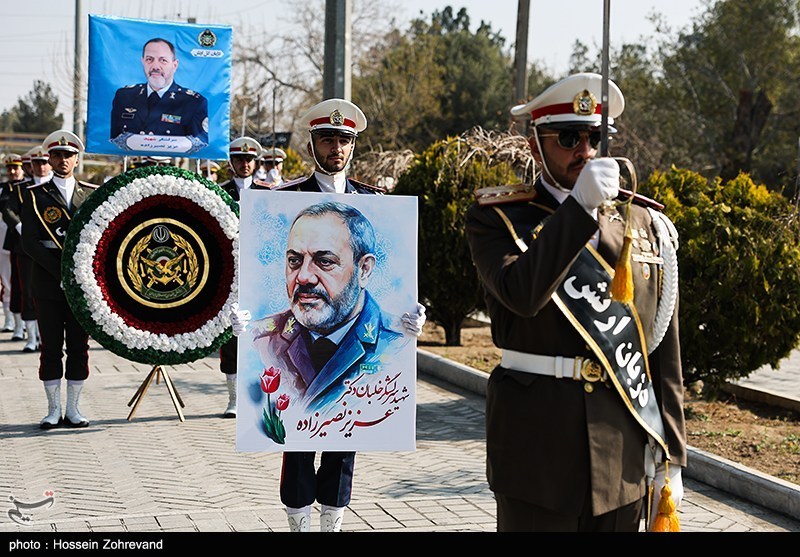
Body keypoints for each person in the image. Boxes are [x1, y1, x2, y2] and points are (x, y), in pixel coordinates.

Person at [464, 73, 687, 532]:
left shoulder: (643, 223)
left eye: (594, 138)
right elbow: (521, 294)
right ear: (535, 147)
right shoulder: (499, 219)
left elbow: (662, 347)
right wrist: (579, 209)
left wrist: (673, 455)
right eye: (568, 138)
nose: (584, 151)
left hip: (622, 454)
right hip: (537, 452)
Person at [230, 98, 425, 532]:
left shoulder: (374, 203)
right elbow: (255, 275)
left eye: (344, 140)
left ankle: (332, 523)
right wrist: (244, 315)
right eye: (326, 139)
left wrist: (411, 314)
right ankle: (299, 523)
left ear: (353, 146)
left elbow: (402, 277)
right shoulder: (282, 200)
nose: (336, 148)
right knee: (296, 439)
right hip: (294, 339)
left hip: (358, 338)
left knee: (345, 439)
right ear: (311, 145)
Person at [250, 200, 409, 411]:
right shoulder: (261, 340)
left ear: (364, 270)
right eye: (294, 261)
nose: (304, 277)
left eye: (325, 261)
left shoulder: (395, 342)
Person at [21, 130, 98, 430]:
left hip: (80, 284)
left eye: (69, 155)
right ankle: (53, 410)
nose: (63, 159)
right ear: (49, 159)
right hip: (47, 281)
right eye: (57, 155)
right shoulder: (34, 195)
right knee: (51, 348)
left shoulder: (91, 194)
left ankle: (74, 409)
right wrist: (60, 272)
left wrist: (76, 274)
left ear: (77, 159)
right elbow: (30, 242)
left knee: (79, 347)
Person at [216, 136, 274, 418]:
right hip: (229, 273)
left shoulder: (269, 192)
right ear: (231, 162)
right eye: (239, 159)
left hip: (260, 272)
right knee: (231, 337)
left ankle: (263, 395)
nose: (245, 164)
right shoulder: (218, 193)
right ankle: (234, 399)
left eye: (249, 159)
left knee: (264, 333)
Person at [109, 37, 208, 148]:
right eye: (149, 59)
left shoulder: (193, 103)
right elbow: (113, 142)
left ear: (174, 65)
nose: (155, 66)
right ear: (143, 62)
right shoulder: (124, 96)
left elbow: (199, 146)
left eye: (163, 60)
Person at [4, 145, 52, 352]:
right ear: (31, 165)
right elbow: (8, 210)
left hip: (52, 249)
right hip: (27, 249)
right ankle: (32, 337)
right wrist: (21, 228)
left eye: (44, 162)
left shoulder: (56, 186)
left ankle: (48, 336)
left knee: (51, 293)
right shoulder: (22, 188)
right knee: (28, 291)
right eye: (37, 163)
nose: (41, 167)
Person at [0, 154, 25, 332]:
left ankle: (24, 322)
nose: (13, 171)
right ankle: (9, 320)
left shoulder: (29, 187)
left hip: (20, 240)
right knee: (6, 281)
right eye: (10, 168)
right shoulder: (2, 189)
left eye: (16, 168)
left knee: (21, 282)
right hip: (3, 239)